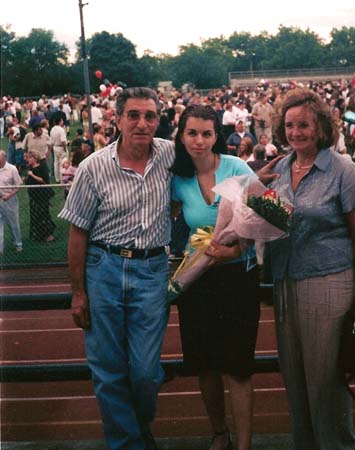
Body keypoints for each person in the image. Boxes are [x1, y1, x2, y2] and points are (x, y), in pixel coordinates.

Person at [58, 87, 174, 450]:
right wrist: (78, 293)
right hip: (103, 268)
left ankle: (137, 425)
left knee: (145, 371)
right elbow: (77, 233)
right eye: (134, 115)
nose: (142, 123)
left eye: (150, 116)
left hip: (152, 269)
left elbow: (217, 164)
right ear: (118, 119)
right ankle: (129, 443)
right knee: (108, 371)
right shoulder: (93, 167)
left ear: (158, 120)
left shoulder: (171, 156)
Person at [267, 88, 355, 450]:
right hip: (285, 282)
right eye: (290, 126)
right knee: (295, 381)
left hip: (328, 282)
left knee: (325, 381)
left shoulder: (343, 169)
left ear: (321, 127)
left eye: (304, 125)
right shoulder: (282, 167)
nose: (296, 132)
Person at [170, 104, 277, 450]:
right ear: (182, 135)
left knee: (239, 367)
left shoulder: (236, 167)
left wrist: (236, 250)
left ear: (217, 135)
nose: (199, 141)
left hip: (236, 279)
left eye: (206, 133)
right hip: (197, 279)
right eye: (192, 133)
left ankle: (243, 444)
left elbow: (267, 217)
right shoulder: (177, 176)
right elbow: (167, 219)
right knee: (204, 366)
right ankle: (220, 433)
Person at [25, 150, 56, 242]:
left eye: (30, 157)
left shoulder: (42, 167)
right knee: (35, 215)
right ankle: (37, 235)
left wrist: (32, 175)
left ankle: (48, 235)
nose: (28, 159)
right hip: (33, 196)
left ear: (35, 158)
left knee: (43, 214)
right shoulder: (30, 168)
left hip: (42, 195)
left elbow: (43, 180)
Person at [0, 150, 23, 253]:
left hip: (10, 200)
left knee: (13, 224)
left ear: (5, 159)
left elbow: (19, 186)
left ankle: (18, 244)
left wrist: (9, 195)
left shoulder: (12, 169)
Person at [50, 116, 68, 182]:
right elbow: (63, 140)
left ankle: (57, 178)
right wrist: (65, 149)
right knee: (62, 163)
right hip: (61, 147)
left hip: (55, 147)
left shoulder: (52, 129)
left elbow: (51, 141)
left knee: (56, 163)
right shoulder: (61, 129)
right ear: (60, 121)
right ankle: (61, 179)